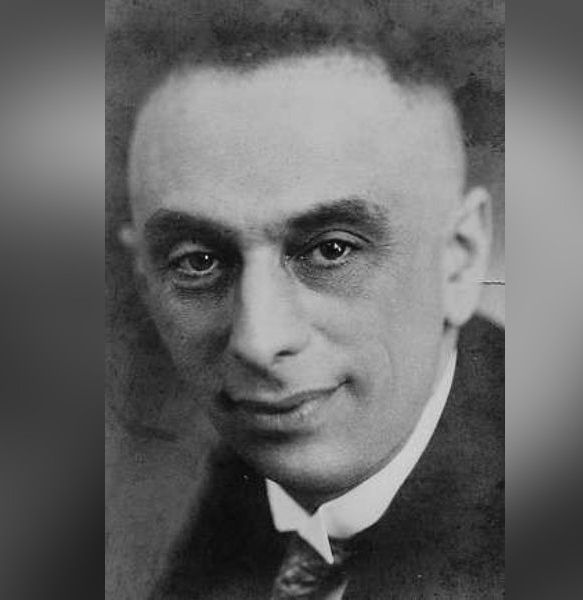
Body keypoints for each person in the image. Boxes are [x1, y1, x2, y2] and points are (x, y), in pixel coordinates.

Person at [115, 6, 504, 598]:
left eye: (331, 250)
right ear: (144, 274)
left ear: (459, 259)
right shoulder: (236, 489)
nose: (258, 341)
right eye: (199, 261)